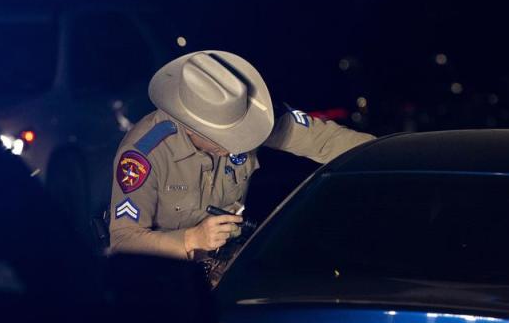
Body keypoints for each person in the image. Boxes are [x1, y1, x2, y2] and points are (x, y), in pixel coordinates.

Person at [108, 50, 374, 260]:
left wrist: (393, 154)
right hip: (167, 278)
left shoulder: (250, 120)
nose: (240, 142)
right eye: (226, 137)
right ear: (189, 127)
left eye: (240, 130)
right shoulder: (143, 154)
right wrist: (190, 239)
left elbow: (325, 139)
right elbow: (123, 240)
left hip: (230, 264)